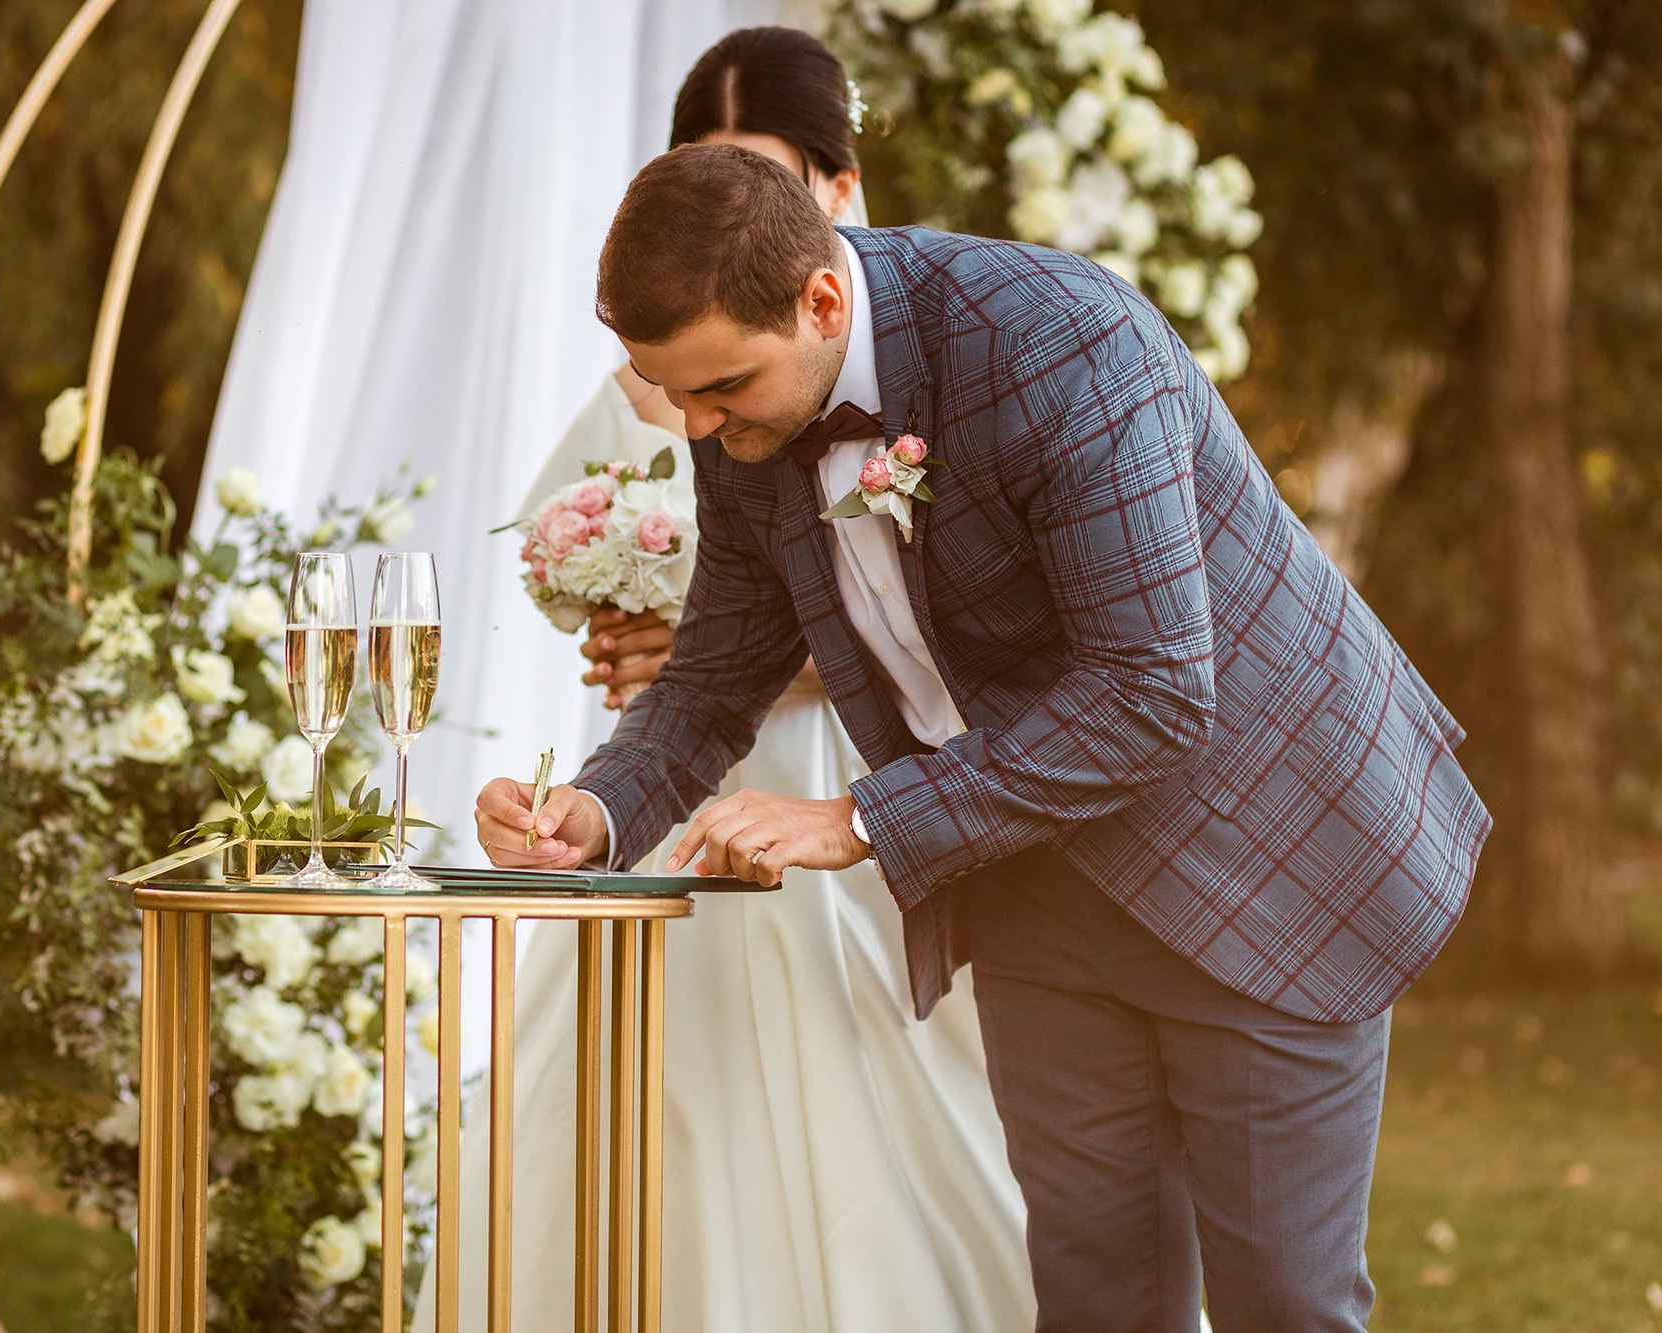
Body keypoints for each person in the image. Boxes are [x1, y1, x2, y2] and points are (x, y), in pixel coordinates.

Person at [478, 144, 1491, 1331]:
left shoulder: (1055, 342)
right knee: (1090, 1298)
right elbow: (710, 679)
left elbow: (1153, 691)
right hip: (1031, 878)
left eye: (722, 388)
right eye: (674, 391)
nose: (694, 426)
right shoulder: (739, 428)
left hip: (1258, 854)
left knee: (1281, 1303)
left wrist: (857, 818)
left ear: (819, 301)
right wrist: (590, 815)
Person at [422, 29, 1036, 1333]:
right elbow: (662, 624)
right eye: (703, 175)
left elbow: (953, 624)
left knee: (908, 1101)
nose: (732, 213)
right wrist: (642, 649)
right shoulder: (675, 395)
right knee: (657, 1116)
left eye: (762, 178)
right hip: (688, 788)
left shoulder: (916, 368)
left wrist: (790, 666)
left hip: (862, 787)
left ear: (836, 191)